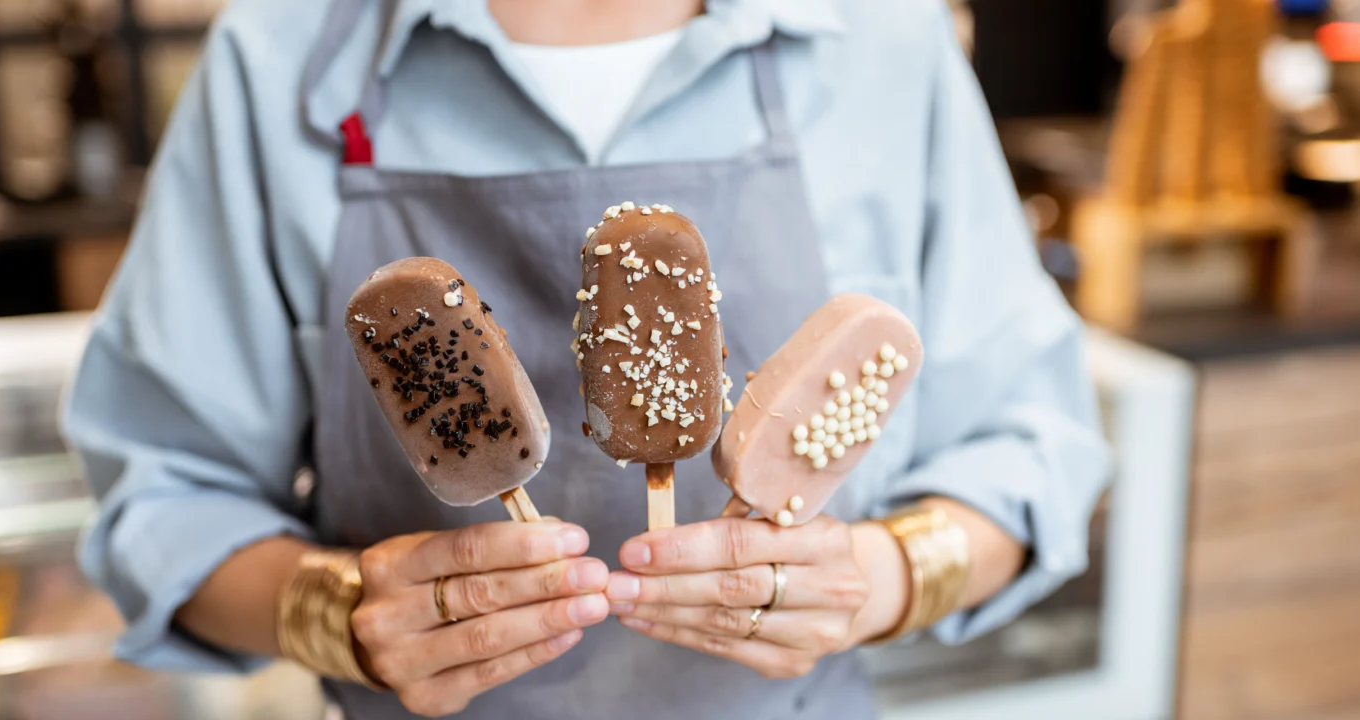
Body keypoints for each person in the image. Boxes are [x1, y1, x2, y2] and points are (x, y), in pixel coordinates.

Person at [62, 0, 1110, 718]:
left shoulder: (881, 36)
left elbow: (1031, 453)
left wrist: (874, 580)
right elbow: (164, 500)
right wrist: (340, 615)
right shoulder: (280, 49)